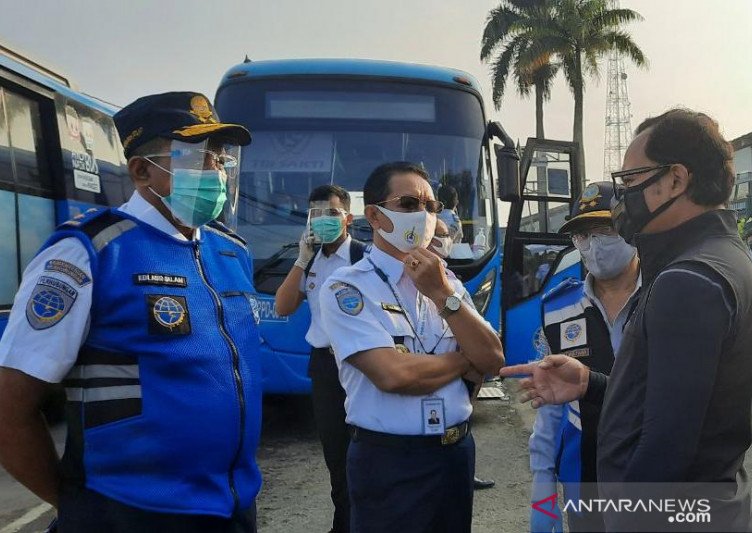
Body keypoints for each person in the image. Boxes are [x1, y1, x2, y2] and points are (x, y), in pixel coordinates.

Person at [0, 92, 263, 532]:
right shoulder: (90, 250)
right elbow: (10, 407)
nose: (216, 172)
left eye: (220, 159)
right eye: (198, 157)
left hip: (232, 509)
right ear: (143, 170)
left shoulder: (230, 251)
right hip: (129, 514)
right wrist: (79, 509)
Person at [503, 109, 752, 532]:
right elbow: (675, 403)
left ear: (676, 180)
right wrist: (592, 384)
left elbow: (665, 451)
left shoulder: (686, 279)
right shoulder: (721, 259)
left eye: (630, 181)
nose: (624, 198)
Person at [319, 161, 504, 532]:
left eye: (430, 207)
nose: (423, 215)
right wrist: (460, 359)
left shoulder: (448, 283)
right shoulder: (348, 288)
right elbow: (393, 374)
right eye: (408, 204)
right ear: (374, 214)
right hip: (390, 461)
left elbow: (493, 358)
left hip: (455, 455)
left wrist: (441, 295)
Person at [529, 182, 640, 533]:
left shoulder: (665, 296)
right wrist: (543, 485)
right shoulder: (557, 307)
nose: (593, 243)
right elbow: (549, 408)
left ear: (631, 229)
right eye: (582, 234)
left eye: (604, 230)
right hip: (584, 478)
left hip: (655, 473)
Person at [273, 184, 366, 533]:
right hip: (325, 367)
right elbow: (284, 306)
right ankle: (343, 524)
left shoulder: (363, 257)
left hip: (364, 365)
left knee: (368, 450)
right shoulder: (309, 260)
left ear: (348, 218)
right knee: (335, 454)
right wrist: (300, 259)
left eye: (330, 214)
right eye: (315, 215)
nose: (322, 221)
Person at [427, 217, 496, 492]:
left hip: (462, 368)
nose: (444, 242)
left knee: (460, 421)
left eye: (447, 236)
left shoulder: (452, 280)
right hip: (438, 368)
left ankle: (464, 472)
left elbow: (481, 333)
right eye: (437, 236)